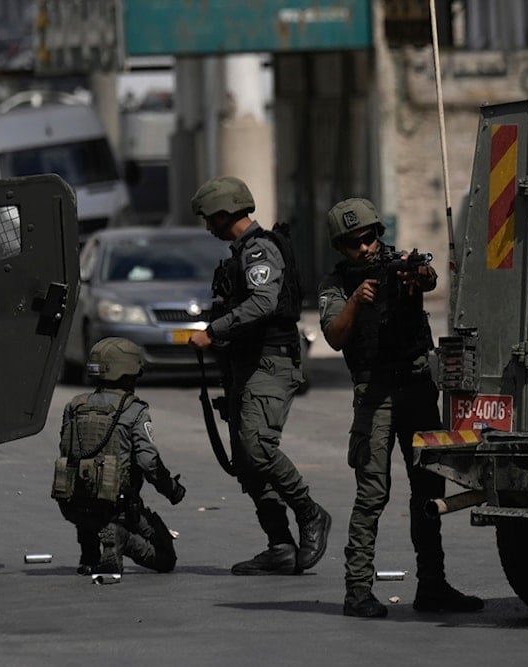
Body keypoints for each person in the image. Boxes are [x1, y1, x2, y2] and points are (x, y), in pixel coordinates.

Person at [318, 197, 484, 617]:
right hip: (374, 394)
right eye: (355, 243)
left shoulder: (398, 266)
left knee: (428, 490)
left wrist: (421, 274)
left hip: (415, 388)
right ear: (342, 247)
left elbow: (427, 280)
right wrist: (358, 299)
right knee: (372, 493)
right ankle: (357, 591)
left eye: (370, 238)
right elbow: (335, 337)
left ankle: (432, 584)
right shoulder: (336, 285)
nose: (366, 248)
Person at [188, 175, 331, 576]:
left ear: (223, 213)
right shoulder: (240, 254)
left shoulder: (259, 251)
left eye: (209, 218)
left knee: (257, 447)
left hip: (270, 362)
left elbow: (264, 303)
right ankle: (280, 545)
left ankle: (310, 512)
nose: (207, 227)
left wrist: (213, 331)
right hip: (243, 364)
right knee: (248, 464)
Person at [53, 337, 186, 575]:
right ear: (129, 373)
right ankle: (122, 539)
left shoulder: (74, 406)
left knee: (87, 486)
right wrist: (173, 490)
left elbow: (69, 454)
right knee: (166, 559)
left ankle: (90, 555)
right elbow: (149, 463)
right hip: (117, 507)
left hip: (73, 507)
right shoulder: (134, 410)